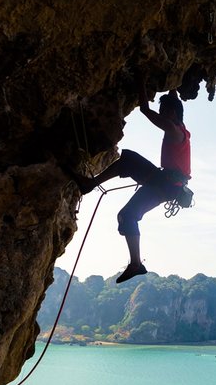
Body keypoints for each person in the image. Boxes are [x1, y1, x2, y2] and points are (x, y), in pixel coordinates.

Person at [72, 81, 192, 283]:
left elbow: (145, 110)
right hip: (169, 184)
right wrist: (175, 85)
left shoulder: (172, 128)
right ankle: (135, 263)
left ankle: (135, 263)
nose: (160, 114)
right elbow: (174, 102)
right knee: (126, 213)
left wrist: (140, 77)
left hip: (165, 183)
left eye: (163, 111)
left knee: (128, 171)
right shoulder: (182, 130)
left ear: (171, 113)